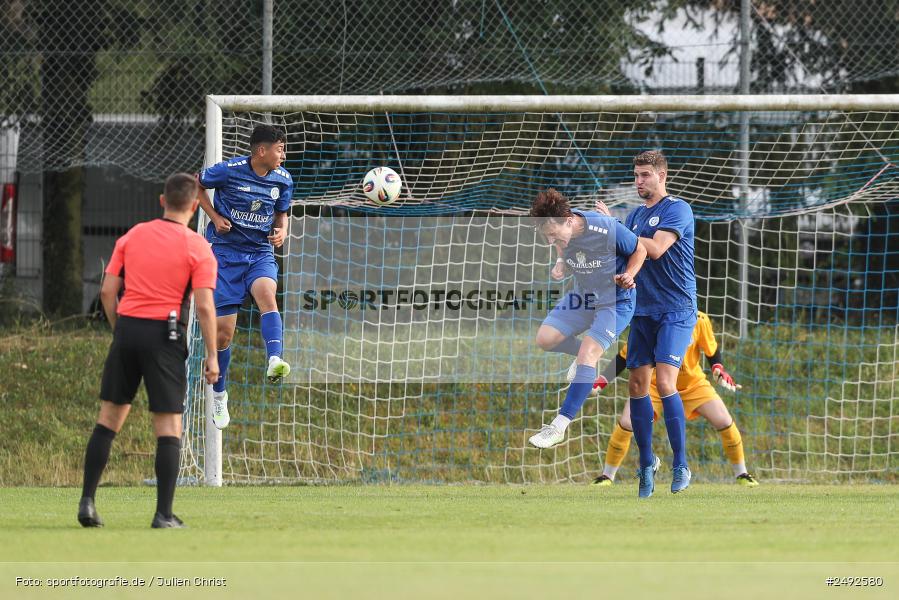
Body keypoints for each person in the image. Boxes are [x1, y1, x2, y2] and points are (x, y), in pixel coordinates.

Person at [78, 173, 219, 529]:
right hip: (166, 336)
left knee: (107, 420)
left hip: (127, 331)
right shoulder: (198, 247)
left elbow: (108, 292)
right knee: (168, 426)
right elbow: (204, 307)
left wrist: (120, 330)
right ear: (193, 206)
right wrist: (213, 355)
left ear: (162, 201)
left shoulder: (133, 235)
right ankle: (163, 514)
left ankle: (87, 503)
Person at [527, 189, 647, 449]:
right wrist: (561, 261)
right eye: (546, 235)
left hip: (616, 300)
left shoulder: (604, 227)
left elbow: (640, 249)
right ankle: (585, 361)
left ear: (569, 221)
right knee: (545, 339)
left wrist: (629, 274)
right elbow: (562, 244)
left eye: (553, 234)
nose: (550, 241)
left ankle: (559, 426)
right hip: (584, 296)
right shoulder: (563, 230)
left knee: (588, 356)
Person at [590, 311, 759, 487]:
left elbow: (712, 351)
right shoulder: (649, 317)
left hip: (692, 385)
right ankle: (606, 476)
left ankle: (742, 473)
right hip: (653, 385)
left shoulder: (699, 319)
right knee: (627, 422)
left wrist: (718, 368)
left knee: (724, 420)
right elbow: (624, 357)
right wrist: (600, 382)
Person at [197, 124, 294, 429]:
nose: (283, 154)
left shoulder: (283, 179)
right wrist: (214, 217)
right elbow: (195, 186)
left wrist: (282, 231)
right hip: (224, 256)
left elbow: (282, 211)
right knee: (224, 335)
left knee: (267, 296)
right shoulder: (229, 170)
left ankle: (274, 359)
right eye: (279, 148)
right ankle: (219, 394)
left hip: (259, 254)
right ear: (261, 150)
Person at [624, 150, 698, 498]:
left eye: (645, 175)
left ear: (662, 176)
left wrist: (615, 232)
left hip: (676, 309)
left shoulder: (677, 209)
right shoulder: (634, 216)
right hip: (642, 311)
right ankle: (645, 464)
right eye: (636, 176)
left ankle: (681, 463)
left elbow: (654, 248)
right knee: (637, 386)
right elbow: (625, 253)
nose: (639, 182)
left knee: (666, 380)